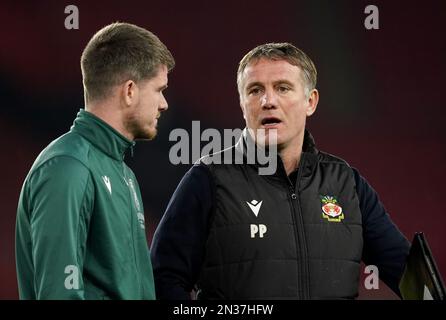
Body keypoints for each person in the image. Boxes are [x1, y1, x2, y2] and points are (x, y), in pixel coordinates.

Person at [150, 43, 410, 299]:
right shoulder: (207, 179)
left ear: (311, 101)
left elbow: (411, 278)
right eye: (254, 90)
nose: (268, 101)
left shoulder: (347, 184)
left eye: (283, 88)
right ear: (242, 105)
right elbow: (163, 279)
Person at [15, 22, 174, 299]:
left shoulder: (123, 173)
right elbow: (59, 294)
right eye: (159, 89)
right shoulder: (67, 168)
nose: (164, 104)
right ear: (129, 90)